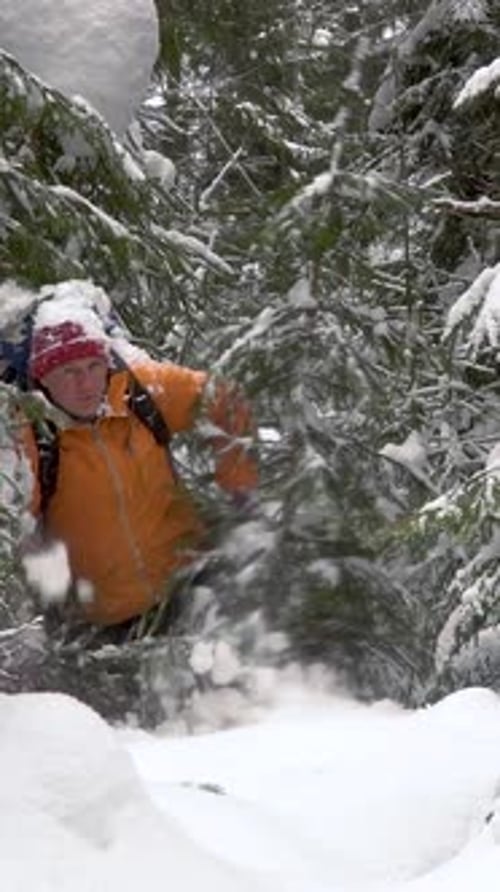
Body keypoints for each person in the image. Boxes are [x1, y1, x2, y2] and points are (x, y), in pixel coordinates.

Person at [17, 302, 258, 632]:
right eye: (69, 372)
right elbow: (11, 517)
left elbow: (224, 398)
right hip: (103, 624)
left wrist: (239, 488)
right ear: (43, 378)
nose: (86, 384)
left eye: (93, 366)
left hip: (191, 587)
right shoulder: (31, 436)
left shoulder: (139, 392)